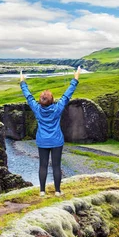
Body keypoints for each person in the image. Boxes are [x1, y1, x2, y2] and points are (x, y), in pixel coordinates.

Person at [20, 66, 81, 197]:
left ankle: (42, 191)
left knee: (43, 165)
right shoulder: (57, 108)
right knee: (56, 166)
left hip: (42, 140)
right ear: (52, 100)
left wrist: (22, 82)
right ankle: (58, 191)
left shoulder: (36, 108)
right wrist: (75, 79)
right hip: (56, 140)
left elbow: (28, 96)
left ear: (41, 101)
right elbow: (67, 95)